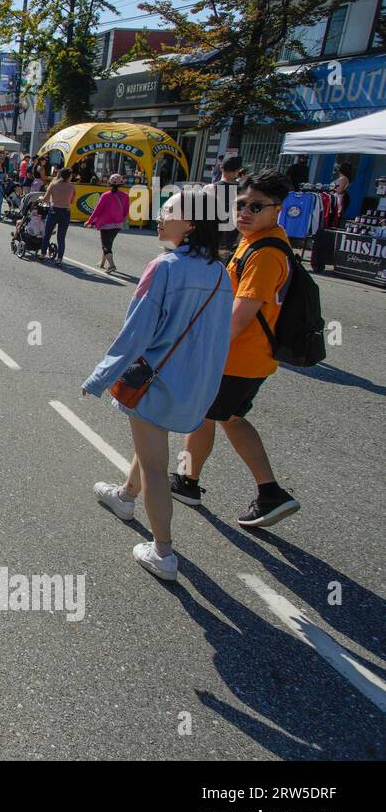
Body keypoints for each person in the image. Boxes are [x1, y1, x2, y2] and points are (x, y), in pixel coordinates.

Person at [87, 190, 232, 582]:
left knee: (154, 463)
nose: (160, 216)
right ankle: (124, 496)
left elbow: (135, 332)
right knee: (150, 448)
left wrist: (100, 377)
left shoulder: (164, 267)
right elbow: (221, 336)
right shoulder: (219, 272)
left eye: (169, 210)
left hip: (154, 382)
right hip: (195, 384)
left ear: (191, 223)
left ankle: (163, 552)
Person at [172, 170, 302, 528]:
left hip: (239, 357)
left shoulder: (265, 253)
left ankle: (264, 490)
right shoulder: (254, 241)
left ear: (277, 209)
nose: (244, 212)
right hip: (243, 357)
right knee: (222, 417)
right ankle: (191, 481)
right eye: (241, 204)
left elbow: (241, 316)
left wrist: (201, 349)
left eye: (256, 206)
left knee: (208, 416)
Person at [83, 173, 128, 273]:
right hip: (118, 224)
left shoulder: (105, 195)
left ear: (109, 183)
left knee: (106, 245)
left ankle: (111, 265)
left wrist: (89, 221)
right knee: (109, 242)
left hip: (106, 224)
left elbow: (97, 210)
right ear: (121, 183)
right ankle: (102, 263)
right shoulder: (125, 196)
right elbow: (126, 211)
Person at [38, 167, 77, 263]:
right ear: (69, 176)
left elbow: (45, 199)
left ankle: (43, 254)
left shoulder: (53, 184)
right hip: (66, 212)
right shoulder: (72, 187)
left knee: (47, 234)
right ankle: (59, 260)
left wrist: (40, 197)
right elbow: (72, 201)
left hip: (54, 210)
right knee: (61, 237)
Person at [208, 156, 244, 255]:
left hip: (210, 238)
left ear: (221, 168)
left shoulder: (210, 188)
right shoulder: (243, 191)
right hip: (231, 240)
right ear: (238, 170)